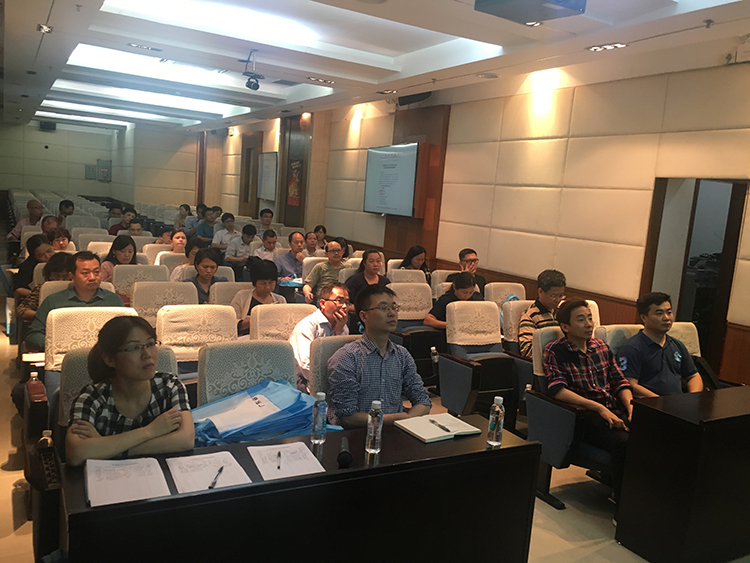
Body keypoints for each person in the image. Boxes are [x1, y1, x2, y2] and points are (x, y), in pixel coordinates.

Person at [65, 316, 194, 467]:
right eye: (134, 348)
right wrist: (150, 431)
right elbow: (76, 454)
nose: (147, 354)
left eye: (150, 344)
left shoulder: (170, 385)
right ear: (110, 359)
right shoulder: (93, 397)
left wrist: (104, 446)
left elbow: (186, 439)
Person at [543, 299, 632, 511]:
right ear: (565, 326)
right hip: (584, 416)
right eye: (581, 320)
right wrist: (598, 408)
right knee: (624, 444)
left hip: (613, 408)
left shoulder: (601, 347)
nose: (589, 324)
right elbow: (558, 390)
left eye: (590, 318)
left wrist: (630, 405)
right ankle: (624, 507)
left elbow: (619, 381)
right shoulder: (555, 350)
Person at [327, 285, 432, 428]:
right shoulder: (347, 358)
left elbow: (423, 400)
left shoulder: (402, 355)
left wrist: (407, 420)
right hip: (358, 434)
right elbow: (347, 417)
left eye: (394, 307)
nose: (392, 313)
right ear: (364, 316)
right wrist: (393, 419)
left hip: (397, 431)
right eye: (383, 308)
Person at [26, 251, 125, 353]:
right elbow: (33, 335)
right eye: (85, 273)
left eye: (96, 272)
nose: (92, 277)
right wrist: (58, 345)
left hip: (104, 355)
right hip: (63, 355)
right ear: (72, 276)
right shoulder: (53, 301)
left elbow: (125, 333)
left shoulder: (114, 300)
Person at [617, 292, 703, 396]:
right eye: (659, 313)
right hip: (650, 403)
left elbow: (693, 376)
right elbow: (630, 384)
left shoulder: (677, 344)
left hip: (678, 402)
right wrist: (658, 401)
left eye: (669, 312)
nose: (666, 318)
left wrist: (692, 397)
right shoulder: (632, 348)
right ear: (644, 318)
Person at [290, 282, 350, 392]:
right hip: (302, 381)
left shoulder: (342, 326)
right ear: (322, 303)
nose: (344, 306)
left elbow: (344, 360)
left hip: (333, 379)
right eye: (339, 301)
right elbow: (306, 366)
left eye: (347, 302)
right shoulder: (307, 326)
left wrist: (338, 332)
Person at [518, 269, 567, 359]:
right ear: (540, 292)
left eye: (561, 296)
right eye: (553, 296)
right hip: (547, 361)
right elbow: (527, 351)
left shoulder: (562, 312)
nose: (558, 300)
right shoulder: (530, 316)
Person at [230, 259, 286, 336]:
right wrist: (254, 321)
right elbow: (231, 323)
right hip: (247, 337)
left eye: (271, 283)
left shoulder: (280, 300)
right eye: (263, 283)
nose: (267, 287)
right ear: (254, 282)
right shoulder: (242, 296)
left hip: (273, 337)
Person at [16, 252, 70, 324]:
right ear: (50, 274)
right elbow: (22, 310)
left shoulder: (79, 289)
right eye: (56, 276)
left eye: (65, 277)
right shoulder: (42, 288)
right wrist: (42, 316)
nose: (60, 280)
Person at [345, 250, 389, 334]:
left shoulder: (385, 281)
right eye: (371, 261)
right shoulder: (354, 280)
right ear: (364, 263)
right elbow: (346, 302)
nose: (375, 264)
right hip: (359, 319)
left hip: (380, 318)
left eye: (378, 261)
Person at [302, 237, 349, 303]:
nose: (336, 253)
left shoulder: (347, 267)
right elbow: (308, 285)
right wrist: (307, 292)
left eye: (338, 250)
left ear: (342, 252)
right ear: (326, 253)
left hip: (343, 299)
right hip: (325, 300)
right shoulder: (320, 267)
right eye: (333, 251)